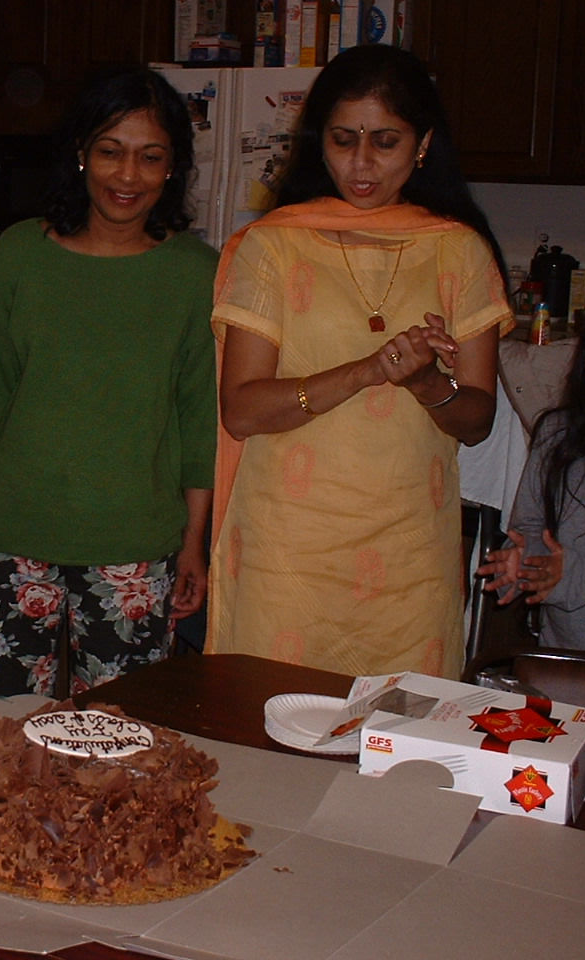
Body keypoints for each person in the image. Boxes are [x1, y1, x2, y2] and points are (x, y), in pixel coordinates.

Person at [207, 44, 513, 679]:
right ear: (319, 141)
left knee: (400, 733)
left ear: (423, 144)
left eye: (385, 141)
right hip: (285, 556)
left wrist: (427, 383)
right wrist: (367, 372)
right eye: (343, 140)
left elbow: (477, 420)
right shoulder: (272, 247)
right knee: (267, 727)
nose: (362, 163)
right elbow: (241, 410)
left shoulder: (460, 252)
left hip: (409, 560)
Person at [0, 67, 218, 699]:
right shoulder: (21, 252)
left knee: (124, 735)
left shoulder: (196, 273)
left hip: (137, 545)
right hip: (11, 535)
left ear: (173, 168)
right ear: (80, 153)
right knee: (1, 734)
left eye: (150, 157)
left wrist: (193, 542)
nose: (128, 176)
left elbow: (198, 416)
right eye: (110, 151)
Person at [478, 306, 585, 650]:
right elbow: (530, 527)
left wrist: (572, 575)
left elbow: (569, 571)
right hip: (565, 661)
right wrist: (524, 560)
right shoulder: (559, 434)